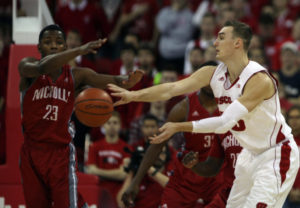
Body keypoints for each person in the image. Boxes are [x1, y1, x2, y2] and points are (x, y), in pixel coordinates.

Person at [109, 20, 300, 207]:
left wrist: (178, 127)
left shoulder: (258, 79)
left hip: (275, 153)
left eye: (221, 37)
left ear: (237, 43)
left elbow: (225, 122)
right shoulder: (212, 73)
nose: (214, 42)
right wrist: (133, 95)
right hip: (248, 156)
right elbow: (171, 89)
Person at [18, 24, 143, 208]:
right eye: (48, 42)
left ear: (64, 48)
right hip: (31, 152)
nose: (53, 46)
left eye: (59, 42)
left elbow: (111, 81)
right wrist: (80, 50)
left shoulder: (77, 75)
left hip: (59, 153)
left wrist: (125, 80)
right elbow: (43, 66)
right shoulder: (27, 66)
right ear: (38, 48)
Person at [121, 64, 226, 208]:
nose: (210, 81)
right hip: (185, 178)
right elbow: (157, 144)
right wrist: (136, 181)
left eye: (215, 78)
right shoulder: (183, 107)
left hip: (217, 178)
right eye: (207, 78)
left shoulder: (230, 106)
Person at [181, 131, 242, 208]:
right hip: (229, 193)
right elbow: (212, 167)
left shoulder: (258, 126)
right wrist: (194, 165)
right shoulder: (222, 129)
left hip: (254, 190)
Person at [86, 111, 130, 208]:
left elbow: (123, 174)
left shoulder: (127, 148)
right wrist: (115, 173)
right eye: (108, 123)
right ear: (103, 126)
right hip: (98, 195)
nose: (111, 126)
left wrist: (99, 172)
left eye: (115, 123)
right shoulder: (94, 146)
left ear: (120, 125)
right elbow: (90, 171)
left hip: (118, 196)